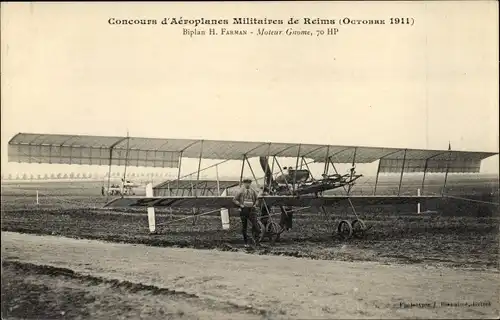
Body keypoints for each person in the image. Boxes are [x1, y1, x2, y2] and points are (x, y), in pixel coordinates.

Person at [233, 178, 260, 247]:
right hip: (244, 210)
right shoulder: (240, 191)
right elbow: (234, 199)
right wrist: (240, 205)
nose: (247, 184)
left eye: (249, 183)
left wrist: (255, 205)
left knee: (256, 226)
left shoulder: (253, 191)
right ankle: (246, 242)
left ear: (250, 184)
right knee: (244, 226)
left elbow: (257, 199)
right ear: (244, 183)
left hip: (252, 210)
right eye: (246, 183)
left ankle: (256, 242)